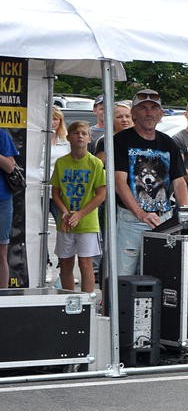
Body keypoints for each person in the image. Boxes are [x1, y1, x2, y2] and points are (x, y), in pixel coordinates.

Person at [112, 89, 188, 276]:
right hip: (131, 218)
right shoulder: (121, 140)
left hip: (164, 218)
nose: (149, 112)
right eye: (143, 108)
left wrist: (186, 212)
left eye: (154, 108)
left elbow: (179, 181)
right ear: (134, 113)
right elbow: (119, 181)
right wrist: (140, 213)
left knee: (160, 274)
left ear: (161, 114)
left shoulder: (168, 143)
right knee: (123, 276)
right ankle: (117, 306)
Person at [50, 121, 106, 293]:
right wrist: (65, 212)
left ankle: (86, 302)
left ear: (89, 138)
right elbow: (56, 192)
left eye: (84, 133)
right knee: (66, 262)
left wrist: (80, 214)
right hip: (65, 221)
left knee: (85, 262)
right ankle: (67, 300)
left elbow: (101, 195)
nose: (80, 136)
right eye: (75, 133)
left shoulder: (95, 163)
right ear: (68, 137)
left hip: (87, 222)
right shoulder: (61, 163)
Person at [0, 128, 19, 288]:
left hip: (2, 201)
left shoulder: (2, 135)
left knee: (1, 252)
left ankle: (2, 299)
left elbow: (10, 166)